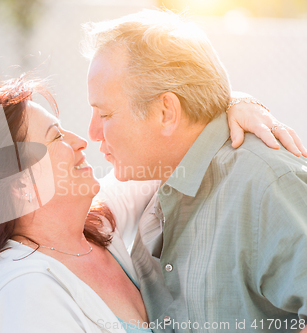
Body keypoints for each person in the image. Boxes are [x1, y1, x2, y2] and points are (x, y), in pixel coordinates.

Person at [0, 70, 304, 332]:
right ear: (17, 185)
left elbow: (172, 133)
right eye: (57, 137)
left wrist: (238, 102)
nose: (81, 141)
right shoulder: (19, 296)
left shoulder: (95, 224)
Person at [84, 9, 307, 333]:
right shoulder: (152, 184)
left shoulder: (266, 186)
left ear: (166, 112)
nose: (91, 133)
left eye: (104, 114)